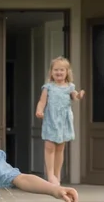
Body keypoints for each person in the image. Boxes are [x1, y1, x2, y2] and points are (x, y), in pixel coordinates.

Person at [35, 57, 85, 185]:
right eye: (56, 70)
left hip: (63, 121)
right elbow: (42, 101)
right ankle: (50, 174)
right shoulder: (48, 87)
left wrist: (79, 95)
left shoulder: (69, 87)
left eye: (62, 70)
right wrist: (39, 110)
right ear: (51, 72)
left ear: (67, 72)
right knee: (50, 146)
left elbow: (75, 97)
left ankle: (57, 174)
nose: (59, 72)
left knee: (60, 148)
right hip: (51, 119)